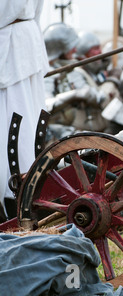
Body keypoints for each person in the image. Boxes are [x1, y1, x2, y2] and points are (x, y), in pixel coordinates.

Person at [0, 0, 49, 221]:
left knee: (14, 127)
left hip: (10, 46)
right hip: (26, 39)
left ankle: (15, 196)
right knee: (25, 124)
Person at [43, 23, 108, 143]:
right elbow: (47, 105)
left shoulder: (71, 70)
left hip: (72, 132)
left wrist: (88, 93)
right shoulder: (48, 74)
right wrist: (75, 94)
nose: (75, 50)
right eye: (70, 47)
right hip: (53, 137)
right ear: (59, 49)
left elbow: (96, 97)